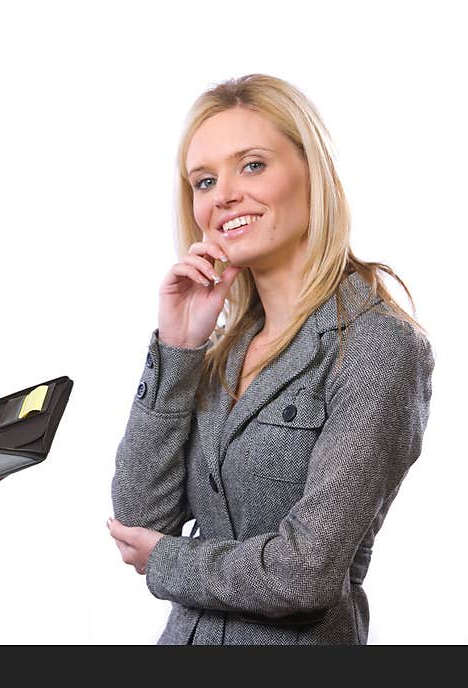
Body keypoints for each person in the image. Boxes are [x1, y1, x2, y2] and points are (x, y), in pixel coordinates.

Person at [107, 74, 434, 645]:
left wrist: (169, 561)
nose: (223, 195)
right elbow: (139, 518)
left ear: (314, 174)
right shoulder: (223, 351)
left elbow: (304, 572)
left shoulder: (375, 344)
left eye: (252, 165)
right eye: (204, 181)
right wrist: (178, 348)